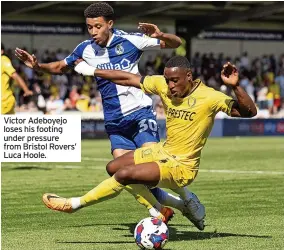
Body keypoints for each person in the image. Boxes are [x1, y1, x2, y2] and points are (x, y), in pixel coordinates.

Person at [15, 2, 193, 224]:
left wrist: (161, 34)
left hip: (140, 113)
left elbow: (175, 44)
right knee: (126, 173)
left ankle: (187, 198)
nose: (93, 32)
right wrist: (38, 66)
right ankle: (160, 210)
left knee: (154, 166)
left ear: (110, 24)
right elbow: (61, 66)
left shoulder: (131, 40)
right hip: (114, 121)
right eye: (89, 27)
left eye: (97, 27)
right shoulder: (85, 49)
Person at [43, 56, 257, 231]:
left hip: (182, 167)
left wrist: (235, 86)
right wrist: (91, 71)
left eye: (175, 81)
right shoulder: (163, 85)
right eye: (167, 80)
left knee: (125, 175)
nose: (170, 86)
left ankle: (74, 204)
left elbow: (249, 112)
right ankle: (163, 209)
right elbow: (128, 78)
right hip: (162, 151)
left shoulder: (210, 97)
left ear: (189, 77)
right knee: (113, 167)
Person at [1, 43, 33, 114]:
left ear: (1, 51)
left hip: (4, 101)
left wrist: (26, 90)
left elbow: (15, 75)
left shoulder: (3, 60)